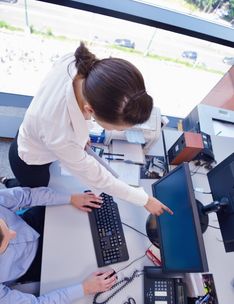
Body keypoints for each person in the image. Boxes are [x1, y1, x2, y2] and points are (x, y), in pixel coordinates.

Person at [3, 41, 172, 217]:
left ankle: (9, 182)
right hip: (30, 163)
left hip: (34, 132)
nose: (120, 131)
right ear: (90, 110)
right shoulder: (61, 134)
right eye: (117, 128)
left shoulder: (77, 66)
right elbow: (100, 178)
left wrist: (80, 136)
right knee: (36, 196)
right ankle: (10, 185)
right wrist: (144, 199)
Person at [0, 186, 116, 304]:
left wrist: (70, 198)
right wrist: (85, 288)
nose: (14, 233)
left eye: (4, 225)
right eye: (5, 245)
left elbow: (28, 196)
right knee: (83, 266)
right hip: (31, 266)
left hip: (32, 223)